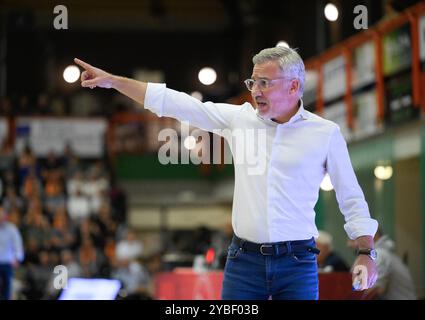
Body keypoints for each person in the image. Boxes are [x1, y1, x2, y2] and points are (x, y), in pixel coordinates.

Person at [74, 46, 378, 300]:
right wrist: (114, 82)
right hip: (243, 261)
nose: (255, 92)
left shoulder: (325, 133)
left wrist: (366, 252)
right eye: (253, 82)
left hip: (297, 263)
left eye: (264, 83)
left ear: (294, 86)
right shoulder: (239, 119)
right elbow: (174, 102)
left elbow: (350, 196)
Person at [347, 229, 416, 300]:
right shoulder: (383, 253)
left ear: (371, 236)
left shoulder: (378, 255)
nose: (348, 245)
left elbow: (374, 292)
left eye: (353, 240)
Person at [0, 205, 25, 300]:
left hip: (7, 263)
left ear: (6, 216)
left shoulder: (12, 229)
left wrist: (18, 258)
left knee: (7, 288)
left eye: (2, 215)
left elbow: (18, 245)